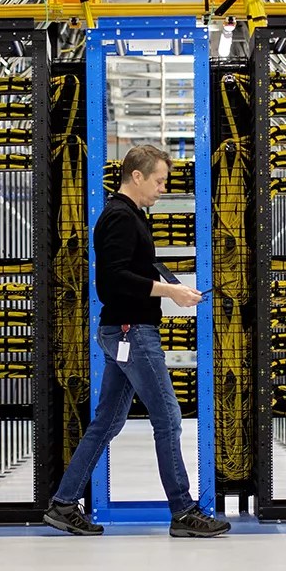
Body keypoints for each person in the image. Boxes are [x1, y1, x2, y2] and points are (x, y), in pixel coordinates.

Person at [43, 145, 231, 538]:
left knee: (107, 422)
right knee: (168, 419)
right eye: (160, 180)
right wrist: (168, 292)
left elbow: (130, 271)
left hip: (127, 329)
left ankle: (63, 503)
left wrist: (174, 288)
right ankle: (184, 511)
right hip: (131, 330)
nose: (163, 188)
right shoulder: (119, 218)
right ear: (137, 176)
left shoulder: (131, 216)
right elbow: (112, 281)